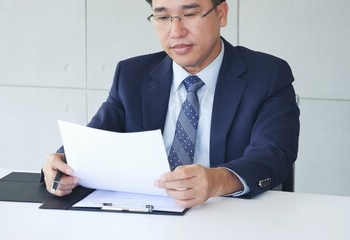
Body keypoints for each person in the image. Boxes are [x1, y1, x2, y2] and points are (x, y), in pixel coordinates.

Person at [42, 0, 300, 208]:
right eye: (163, 17)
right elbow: (94, 140)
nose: (176, 32)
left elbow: (273, 153)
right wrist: (61, 163)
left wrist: (216, 180)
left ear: (221, 13)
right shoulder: (132, 75)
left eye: (190, 14)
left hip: (227, 216)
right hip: (142, 218)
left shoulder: (267, 75)